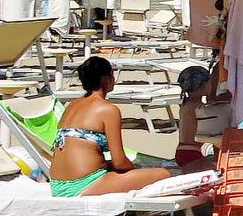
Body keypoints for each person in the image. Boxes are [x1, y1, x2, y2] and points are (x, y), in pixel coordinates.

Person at [49, 57, 176, 197]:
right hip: (84, 184)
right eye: (112, 74)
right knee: (164, 174)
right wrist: (135, 169)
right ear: (105, 79)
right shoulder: (108, 110)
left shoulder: (72, 106)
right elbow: (119, 162)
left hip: (57, 184)